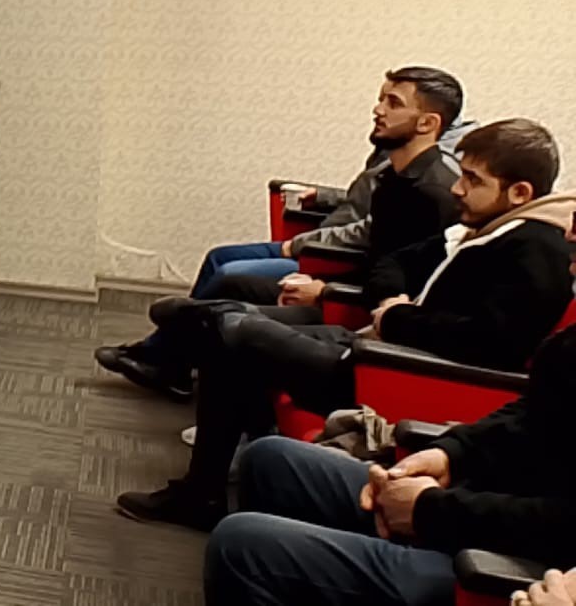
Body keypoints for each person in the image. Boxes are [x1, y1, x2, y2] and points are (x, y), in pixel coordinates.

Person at [116, 118, 575, 530]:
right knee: (229, 337)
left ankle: (196, 335)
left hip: (398, 373)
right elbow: (395, 262)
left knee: (235, 333)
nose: (458, 189)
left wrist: (400, 319)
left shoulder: (537, 250)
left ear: (519, 193)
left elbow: (491, 344)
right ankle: (204, 485)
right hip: (377, 346)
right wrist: (393, 303)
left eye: (473, 180)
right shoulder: (486, 227)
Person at [96, 67, 466, 400]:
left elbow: (403, 279)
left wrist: (325, 288)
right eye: (381, 99)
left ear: (427, 123)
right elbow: (382, 256)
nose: (377, 109)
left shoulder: (434, 192)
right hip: (348, 282)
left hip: (362, 307)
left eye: (393, 103)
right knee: (229, 282)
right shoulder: (395, 175)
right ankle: (177, 351)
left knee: (228, 304)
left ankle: (179, 350)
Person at [204, 318, 576, 605]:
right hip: (479, 501)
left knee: (241, 546)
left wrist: (430, 510)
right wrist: (452, 454)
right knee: (271, 461)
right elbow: (534, 409)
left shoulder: (536, 254)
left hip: (511, 564)